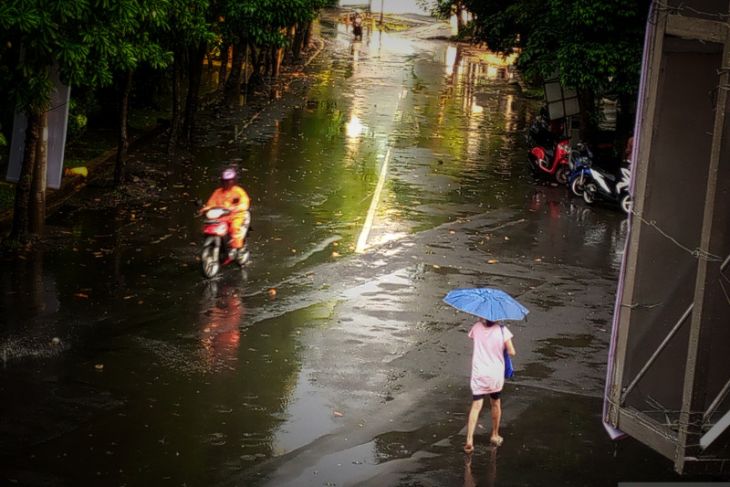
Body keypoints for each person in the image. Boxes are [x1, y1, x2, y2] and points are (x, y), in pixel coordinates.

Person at [464, 318, 516, 453]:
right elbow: (512, 351)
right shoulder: (503, 331)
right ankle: (494, 434)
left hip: (479, 373)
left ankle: (469, 440)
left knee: (476, 406)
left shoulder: (476, 327)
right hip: (495, 374)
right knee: (495, 403)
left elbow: (473, 337)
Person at [202, 167, 251, 262]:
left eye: (229, 181)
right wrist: (205, 209)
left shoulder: (238, 191)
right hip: (222, 216)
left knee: (234, 227)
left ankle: (238, 249)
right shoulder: (217, 192)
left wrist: (237, 208)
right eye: (225, 181)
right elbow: (211, 203)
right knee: (209, 225)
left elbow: (244, 202)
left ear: (233, 181)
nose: (227, 183)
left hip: (236, 216)